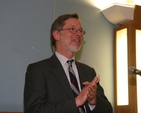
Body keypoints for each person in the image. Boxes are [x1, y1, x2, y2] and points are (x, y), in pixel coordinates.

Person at [24, 13, 113, 113]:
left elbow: (108, 110)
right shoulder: (38, 70)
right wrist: (76, 102)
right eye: (73, 29)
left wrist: (93, 100)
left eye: (80, 31)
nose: (79, 34)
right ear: (57, 34)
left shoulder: (89, 71)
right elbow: (34, 110)